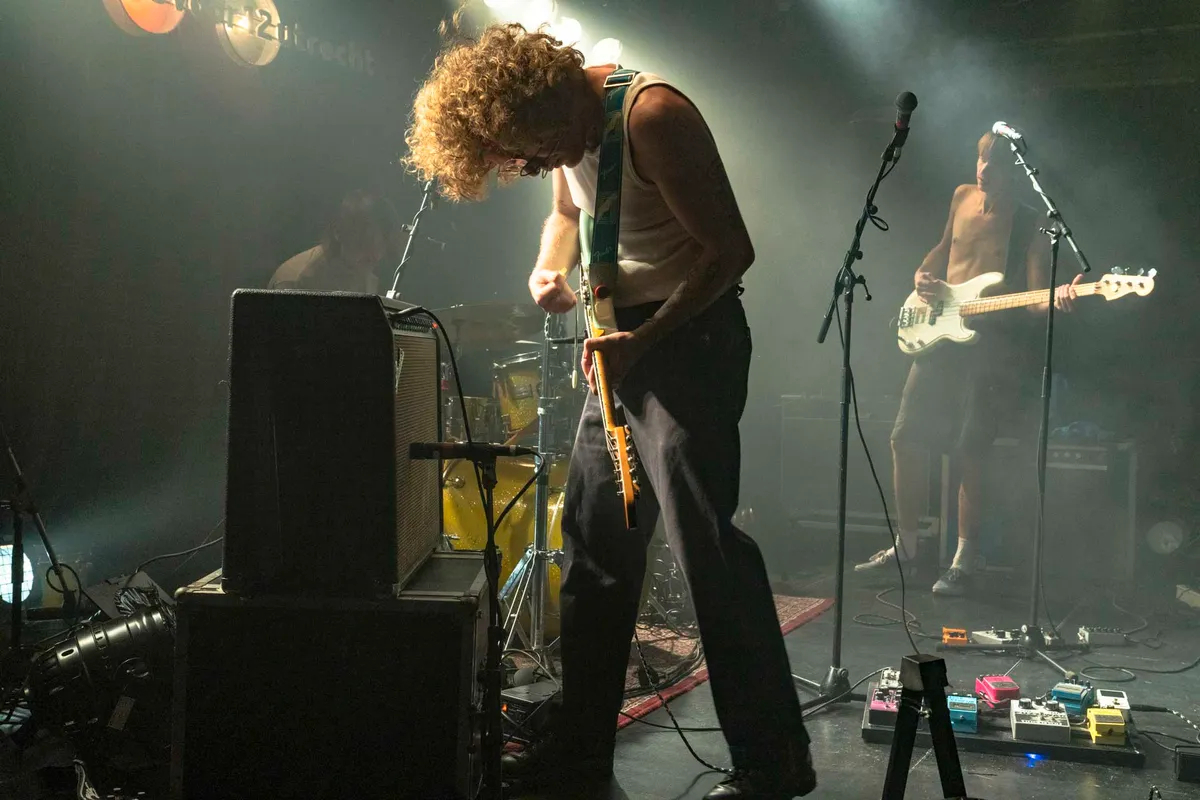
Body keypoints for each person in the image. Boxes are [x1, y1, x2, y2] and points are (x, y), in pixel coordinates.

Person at [405, 23, 814, 800]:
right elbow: (567, 209)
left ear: (556, 95)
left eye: (535, 150)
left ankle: (775, 760)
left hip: (686, 344)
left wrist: (644, 339)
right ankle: (581, 754)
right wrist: (546, 269)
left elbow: (731, 252)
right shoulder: (563, 130)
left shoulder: (652, 115)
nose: (534, 166)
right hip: (618, 351)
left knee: (706, 552)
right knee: (594, 551)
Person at [854, 130, 1080, 595]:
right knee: (904, 437)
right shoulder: (960, 196)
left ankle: (964, 557)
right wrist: (923, 273)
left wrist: (1057, 298)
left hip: (988, 344)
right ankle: (908, 546)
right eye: (980, 158)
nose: (983, 169)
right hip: (938, 331)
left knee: (970, 449)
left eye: (994, 162)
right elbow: (944, 247)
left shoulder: (1032, 222)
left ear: (1015, 170)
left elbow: (1034, 297)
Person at [268, 189, 397, 293]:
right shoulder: (297, 282)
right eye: (365, 241)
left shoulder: (364, 277)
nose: (374, 255)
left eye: (381, 245)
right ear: (338, 231)